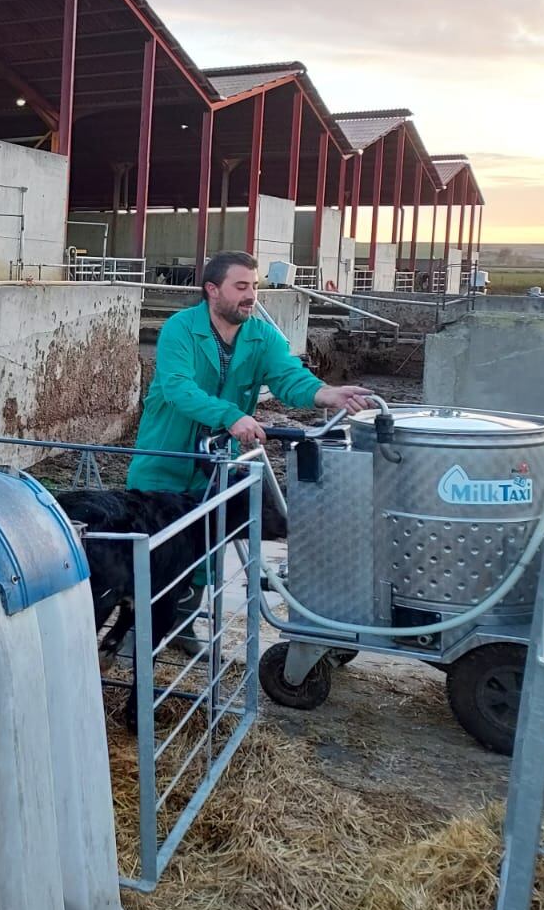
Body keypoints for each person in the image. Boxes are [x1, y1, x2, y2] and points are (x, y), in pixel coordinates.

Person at [128, 250, 373, 650]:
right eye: (241, 287)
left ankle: (181, 627)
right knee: (154, 545)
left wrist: (326, 393)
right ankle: (138, 634)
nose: (251, 295)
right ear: (212, 290)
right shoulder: (181, 330)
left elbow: (288, 377)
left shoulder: (261, 335)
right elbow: (177, 387)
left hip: (215, 461)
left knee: (203, 546)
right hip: (167, 455)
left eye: (255, 286)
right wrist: (230, 416)